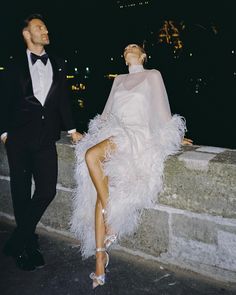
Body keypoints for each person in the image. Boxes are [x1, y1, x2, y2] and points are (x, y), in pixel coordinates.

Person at [70, 43, 192, 289]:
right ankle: (101, 253)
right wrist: (87, 133)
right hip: (116, 134)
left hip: (137, 136)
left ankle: (103, 244)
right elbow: (106, 114)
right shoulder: (118, 80)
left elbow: (161, 110)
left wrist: (175, 135)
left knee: (94, 166)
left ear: (143, 55)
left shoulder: (152, 75)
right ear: (123, 57)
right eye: (125, 48)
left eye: (134, 46)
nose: (129, 48)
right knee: (95, 174)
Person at [0, 13, 82, 271]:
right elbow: (2, 100)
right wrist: (3, 133)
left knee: (47, 190)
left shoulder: (58, 63)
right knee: (21, 192)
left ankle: (19, 237)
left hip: (46, 138)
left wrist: (72, 130)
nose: (45, 31)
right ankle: (26, 247)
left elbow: (63, 101)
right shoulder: (13, 65)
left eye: (45, 27)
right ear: (27, 34)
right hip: (18, 139)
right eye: (39, 28)